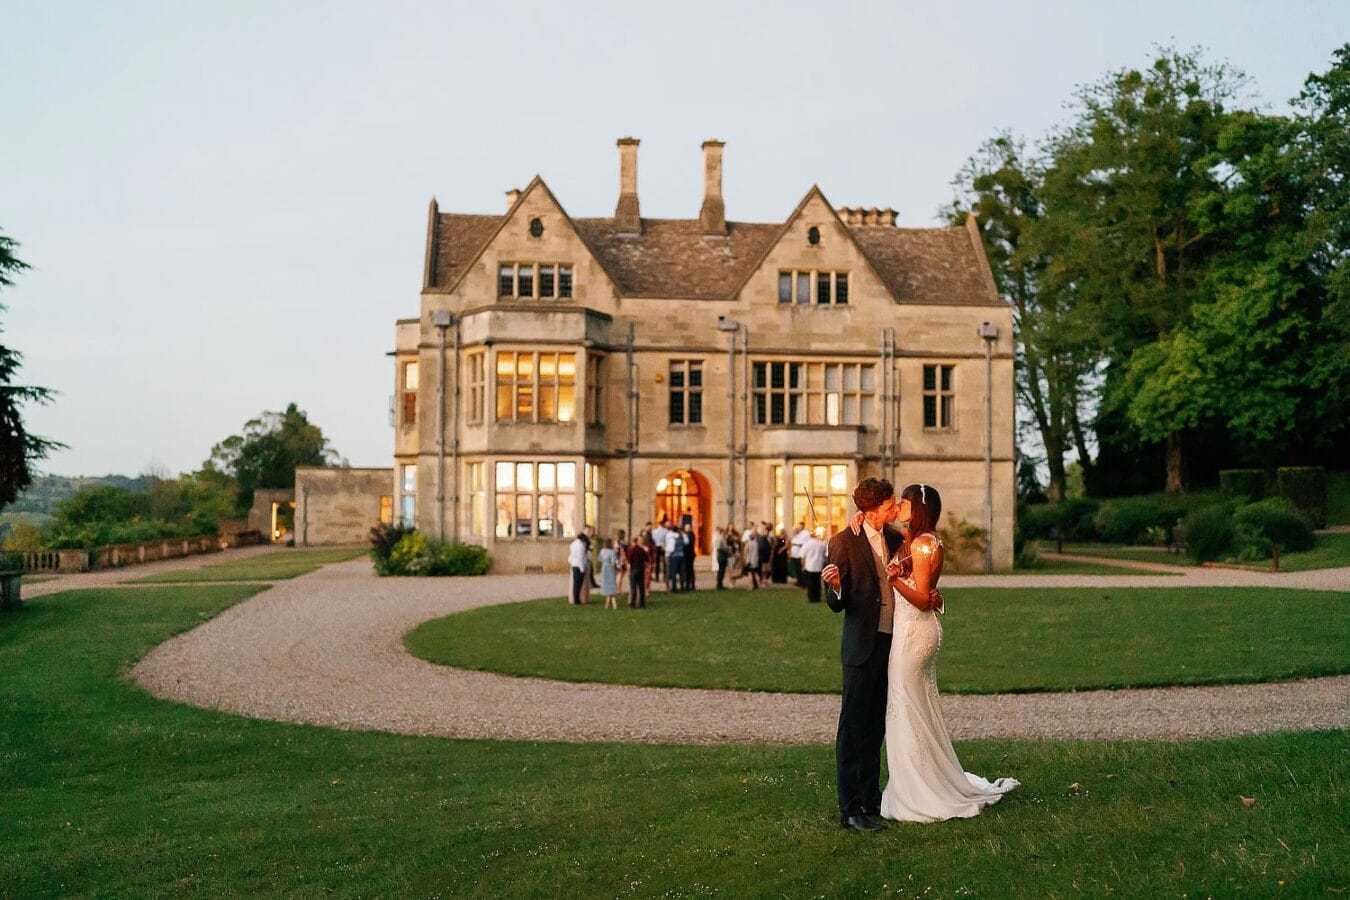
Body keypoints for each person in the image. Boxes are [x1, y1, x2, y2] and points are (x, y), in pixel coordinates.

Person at [875, 483, 1018, 822]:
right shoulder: (913, 540)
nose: (900, 507)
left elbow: (925, 598)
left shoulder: (925, 544)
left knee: (906, 705)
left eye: (906, 502)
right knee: (911, 706)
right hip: (910, 632)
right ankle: (919, 780)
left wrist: (894, 580)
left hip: (914, 634)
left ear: (920, 507)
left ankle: (921, 791)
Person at [818, 478, 938, 833]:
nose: (893, 509)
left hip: (892, 645)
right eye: (888, 505)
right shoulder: (843, 542)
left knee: (875, 728)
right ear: (870, 510)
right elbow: (835, 604)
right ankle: (851, 808)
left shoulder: (892, 538)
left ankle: (871, 799)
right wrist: (836, 587)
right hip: (860, 648)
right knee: (853, 729)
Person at [567, 526, 594, 605]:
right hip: (578, 565)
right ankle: (576, 599)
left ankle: (577, 598)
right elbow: (580, 557)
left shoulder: (575, 544)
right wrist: (582, 568)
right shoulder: (579, 545)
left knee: (578, 583)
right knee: (577, 583)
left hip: (576, 564)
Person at [801, 527, 827, 603]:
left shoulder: (807, 544)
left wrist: (803, 565)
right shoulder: (821, 544)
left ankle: (811, 597)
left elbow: (803, 556)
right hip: (818, 565)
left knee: (810, 583)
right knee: (817, 582)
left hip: (809, 566)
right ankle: (817, 597)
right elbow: (824, 554)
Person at [626, 532, 650, 609]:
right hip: (641, 569)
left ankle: (633, 603)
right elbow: (647, 559)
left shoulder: (631, 550)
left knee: (633, 587)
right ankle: (642, 604)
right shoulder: (642, 550)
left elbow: (629, 560)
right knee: (641, 587)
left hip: (634, 569)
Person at [599, 538, 620, 609]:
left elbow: (600, 559)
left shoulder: (602, 551)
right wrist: (617, 568)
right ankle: (613, 599)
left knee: (606, 581)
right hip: (610, 568)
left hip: (604, 567)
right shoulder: (612, 552)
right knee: (611, 582)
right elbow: (613, 562)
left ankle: (608, 600)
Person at [664, 524, 684, 593]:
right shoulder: (679, 536)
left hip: (673, 556)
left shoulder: (671, 536)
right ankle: (681, 586)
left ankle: (673, 587)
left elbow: (671, 548)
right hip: (679, 556)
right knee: (680, 573)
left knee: (673, 572)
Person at [741, 525, 761, 590]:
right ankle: (759, 585)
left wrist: (744, 559)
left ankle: (751, 586)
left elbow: (745, 552)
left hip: (749, 561)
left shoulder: (748, 544)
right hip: (755, 560)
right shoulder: (756, 543)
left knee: (750, 574)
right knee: (756, 573)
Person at [651, 518, 669, 584]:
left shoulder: (654, 531)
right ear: (663, 524)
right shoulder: (666, 531)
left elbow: (653, 539)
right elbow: (667, 539)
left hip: (657, 546)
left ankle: (657, 577)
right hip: (663, 547)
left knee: (657, 562)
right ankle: (665, 577)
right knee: (664, 563)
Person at [713, 526, 729, 590]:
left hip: (723, 556)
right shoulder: (720, 538)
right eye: (724, 532)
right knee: (721, 571)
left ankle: (720, 584)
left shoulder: (722, 538)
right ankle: (719, 584)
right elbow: (719, 548)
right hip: (721, 556)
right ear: (722, 532)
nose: (725, 533)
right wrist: (726, 549)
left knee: (722, 571)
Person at [681, 523, 696, 591]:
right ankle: (689, 584)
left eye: (688, 527)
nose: (686, 529)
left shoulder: (690, 535)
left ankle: (689, 584)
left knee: (688, 570)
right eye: (686, 527)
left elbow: (688, 544)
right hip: (687, 555)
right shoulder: (687, 534)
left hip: (689, 555)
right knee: (688, 570)